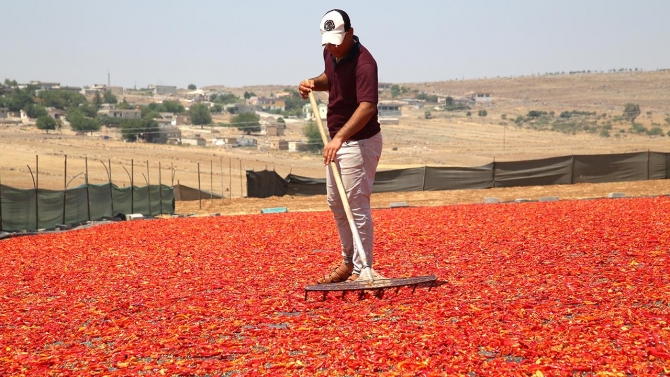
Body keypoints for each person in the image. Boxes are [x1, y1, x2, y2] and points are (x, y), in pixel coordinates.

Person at [298, 9, 383, 284]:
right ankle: (349, 262)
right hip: (338, 141)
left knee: (356, 203)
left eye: (337, 40)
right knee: (336, 202)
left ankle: (363, 267)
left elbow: (367, 107)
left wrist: (339, 138)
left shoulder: (365, 64)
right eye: (328, 42)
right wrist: (312, 83)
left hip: (360, 141)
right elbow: (329, 78)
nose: (333, 46)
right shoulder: (332, 52)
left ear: (350, 32)